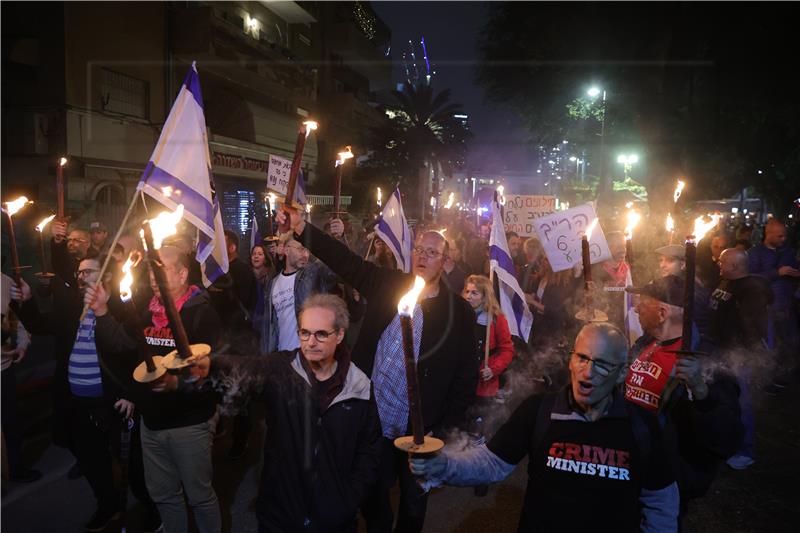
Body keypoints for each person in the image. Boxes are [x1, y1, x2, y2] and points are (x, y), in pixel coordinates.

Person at [278, 208, 478, 533]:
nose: (424, 257)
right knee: (371, 496)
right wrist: (302, 228)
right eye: (420, 250)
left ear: (446, 261)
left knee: (413, 505)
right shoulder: (389, 284)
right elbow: (345, 261)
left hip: (419, 431)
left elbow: (465, 379)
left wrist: (440, 431)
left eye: (433, 252)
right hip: (374, 419)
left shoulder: (459, 314)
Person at [410, 322, 678, 532]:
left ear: (622, 373)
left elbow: (661, 503)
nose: (588, 371)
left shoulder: (642, 426)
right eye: (582, 358)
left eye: (603, 365)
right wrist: (443, 465)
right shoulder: (540, 410)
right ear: (571, 361)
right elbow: (490, 463)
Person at [11, 257, 161, 532]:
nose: (80, 277)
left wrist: (132, 393)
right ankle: (108, 505)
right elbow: (40, 325)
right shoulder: (71, 308)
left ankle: (151, 507)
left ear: (104, 275)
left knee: (134, 466)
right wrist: (28, 300)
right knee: (93, 463)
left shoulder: (121, 307)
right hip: (79, 402)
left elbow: (137, 353)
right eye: (78, 272)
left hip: (116, 402)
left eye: (88, 271)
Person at [89, 245, 222, 533]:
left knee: (199, 497)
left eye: (159, 269)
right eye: (149, 270)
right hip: (151, 425)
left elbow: (216, 372)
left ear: (183, 273)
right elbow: (123, 343)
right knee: (163, 494)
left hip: (190, 424)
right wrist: (101, 310)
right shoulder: (146, 312)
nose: (151, 276)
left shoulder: (201, 313)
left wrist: (179, 382)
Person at [225, 294, 382, 532]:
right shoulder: (281, 370)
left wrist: (348, 500)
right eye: (304, 333)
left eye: (321, 334)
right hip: (280, 515)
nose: (310, 342)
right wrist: (206, 367)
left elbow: (369, 452)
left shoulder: (359, 387)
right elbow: (243, 369)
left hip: (332, 521)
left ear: (339, 335)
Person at [625, 276, 743, 514]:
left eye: (642, 303)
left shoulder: (709, 362)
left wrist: (700, 390)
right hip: (630, 461)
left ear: (662, 312)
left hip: (666, 476)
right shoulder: (646, 342)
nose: (635, 308)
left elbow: (726, 439)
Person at [709, 248, 773, 470]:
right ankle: (723, 443)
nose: (718, 263)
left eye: (723, 262)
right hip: (719, 350)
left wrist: (746, 353)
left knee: (741, 401)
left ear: (735, 266)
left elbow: (753, 326)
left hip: (738, 355)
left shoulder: (751, 290)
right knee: (720, 399)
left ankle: (744, 450)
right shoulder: (725, 282)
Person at [259, 233, 340, 355]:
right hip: (282, 356)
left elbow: (336, 269)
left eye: (308, 250)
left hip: (308, 355)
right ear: (286, 250)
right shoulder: (273, 284)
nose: (306, 255)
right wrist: (267, 356)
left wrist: (338, 238)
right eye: (301, 249)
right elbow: (268, 325)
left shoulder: (312, 274)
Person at [747, 218, 800, 383]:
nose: (783, 239)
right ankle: (769, 380)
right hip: (767, 308)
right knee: (770, 346)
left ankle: (786, 376)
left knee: (791, 343)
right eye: (779, 236)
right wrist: (778, 272)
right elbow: (752, 278)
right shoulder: (755, 253)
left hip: (787, 306)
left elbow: (794, 268)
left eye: (784, 236)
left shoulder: (787, 252)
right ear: (768, 234)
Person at [1, 272, 39, 484]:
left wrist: (23, 343)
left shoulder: (6, 282)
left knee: (10, 422)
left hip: (3, 368)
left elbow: (19, 316)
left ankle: (15, 467)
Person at [463, 275, 514, 402]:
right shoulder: (460, 314)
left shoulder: (497, 319)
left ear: (485, 296)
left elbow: (507, 350)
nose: (469, 296)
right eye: (467, 291)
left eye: (474, 293)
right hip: (461, 380)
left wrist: (493, 369)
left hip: (483, 381)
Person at [653, 244, 711, 337]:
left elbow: (695, 326)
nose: (662, 265)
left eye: (670, 261)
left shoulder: (691, 290)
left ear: (683, 264)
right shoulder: (672, 285)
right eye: (661, 260)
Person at [525, 254, 579, 350]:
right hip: (538, 324)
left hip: (551, 326)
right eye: (543, 258)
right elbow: (535, 295)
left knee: (547, 354)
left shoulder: (562, 284)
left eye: (546, 259)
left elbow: (553, 310)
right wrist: (527, 297)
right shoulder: (541, 277)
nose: (542, 261)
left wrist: (533, 302)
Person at [592, 230, 630, 330]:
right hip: (602, 327)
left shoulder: (630, 272)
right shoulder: (595, 272)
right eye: (618, 246)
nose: (623, 250)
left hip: (625, 327)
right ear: (607, 248)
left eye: (624, 246)